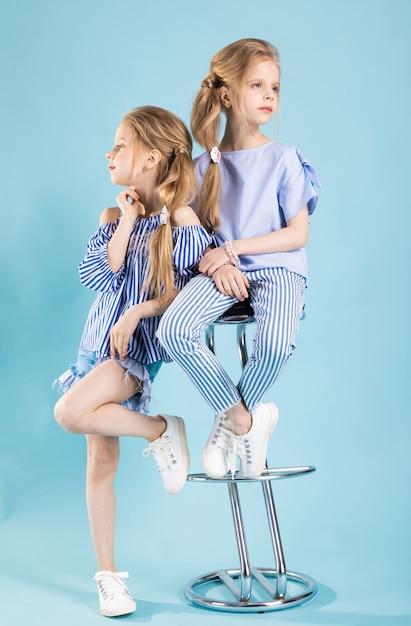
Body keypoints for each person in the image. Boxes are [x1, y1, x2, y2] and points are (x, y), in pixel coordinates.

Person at [53, 105, 212, 617]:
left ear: (149, 157)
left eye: (120, 144)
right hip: (92, 350)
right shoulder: (113, 219)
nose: (110, 152)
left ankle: (160, 429)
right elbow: (98, 276)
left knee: (69, 413)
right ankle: (109, 578)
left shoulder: (180, 219)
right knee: (100, 462)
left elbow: (185, 291)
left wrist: (140, 310)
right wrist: (125, 219)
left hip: (130, 354)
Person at [157, 38, 320, 481]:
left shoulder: (285, 159)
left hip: (278, 269)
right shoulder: (200, 168)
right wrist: (218, 259)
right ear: (226, 94)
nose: (269, 95)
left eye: (275, 88)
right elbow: (182, 230)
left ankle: (226, 422)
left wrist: (233, 249)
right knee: (173, 329)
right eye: (257, 85)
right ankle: (244, 419)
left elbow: (297, 234)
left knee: (273, 343)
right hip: (219, 274)